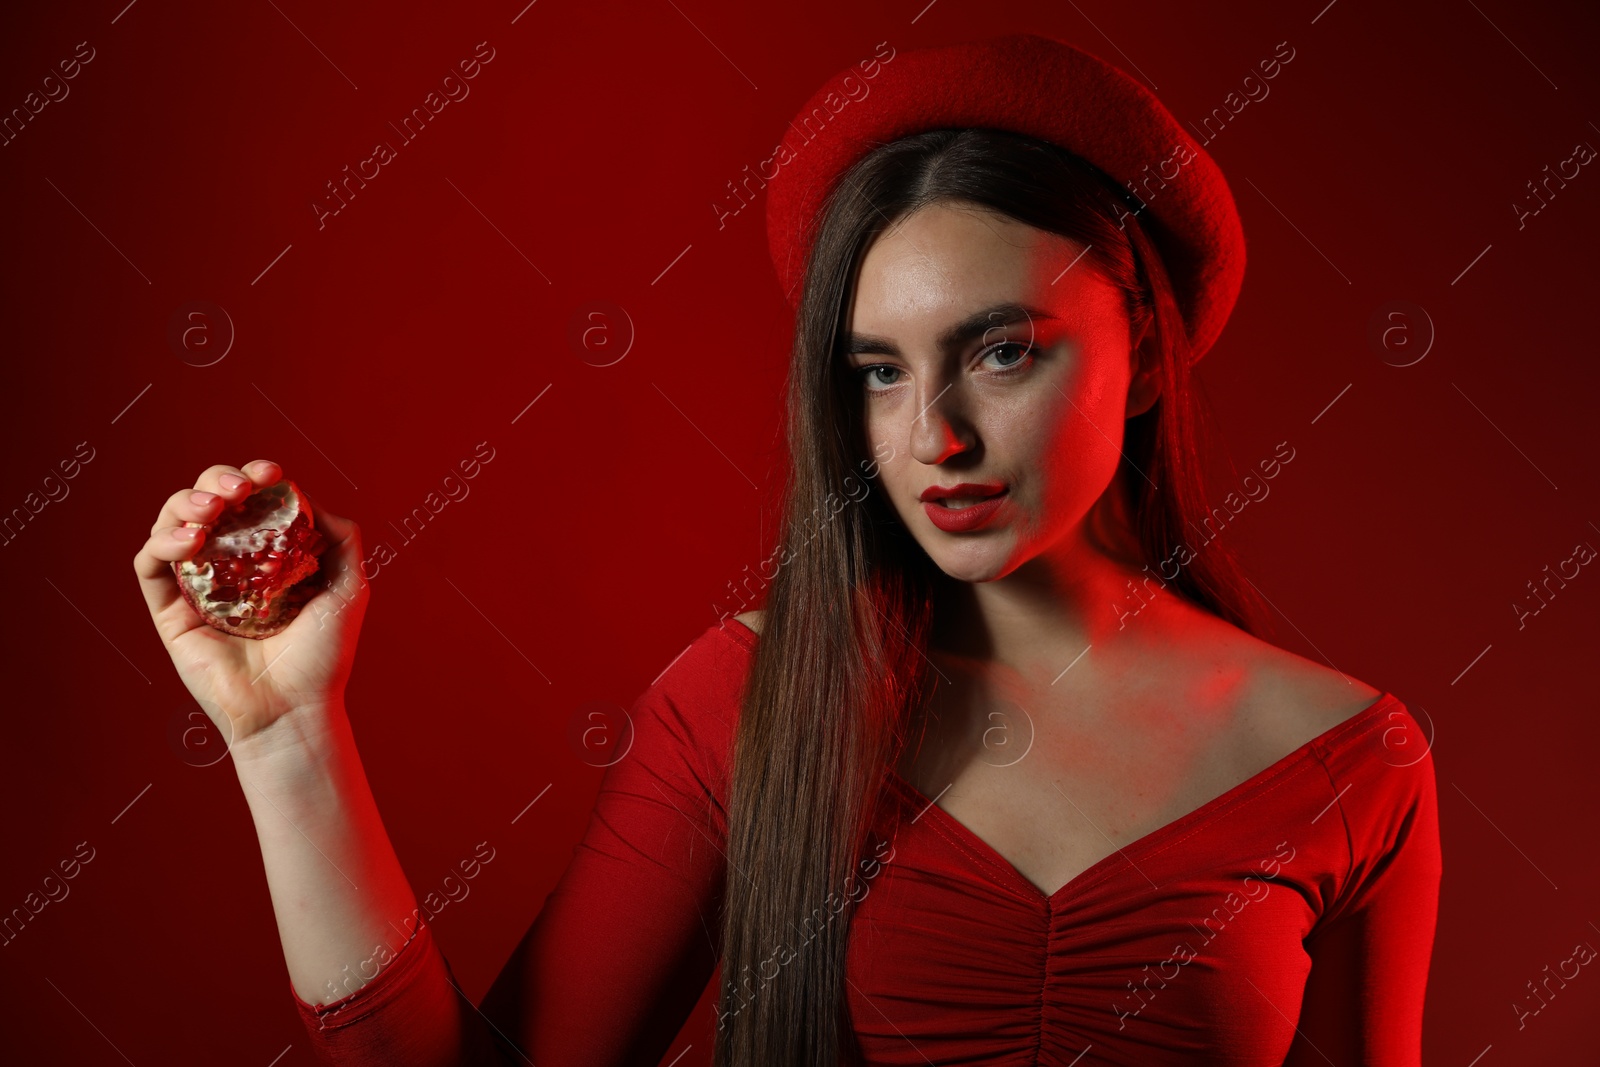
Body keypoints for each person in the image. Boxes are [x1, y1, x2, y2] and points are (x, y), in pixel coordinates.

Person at [132, 32, 1440, 1067]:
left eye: (1001, 351)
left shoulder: (1348, 764)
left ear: (1144, 352)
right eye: (878, 371)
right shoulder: (740, 705)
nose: (934, 436)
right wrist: (287, 740)